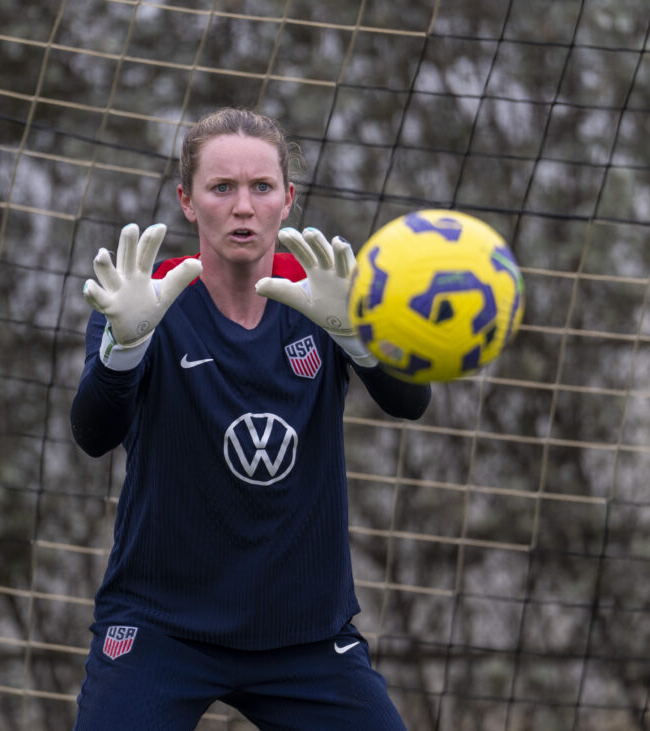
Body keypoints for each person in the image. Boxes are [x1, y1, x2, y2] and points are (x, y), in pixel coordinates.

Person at [69, 107, 431, 730]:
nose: (243, 206)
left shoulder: (325, 293)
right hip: (162, 624)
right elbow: (93, 434)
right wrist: (122, 349)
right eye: (222, 187)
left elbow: (410, 402)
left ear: (288, 200)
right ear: (188, 200)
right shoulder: (141, 297)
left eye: (261, 187)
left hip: (305, 635)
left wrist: (361, 334)